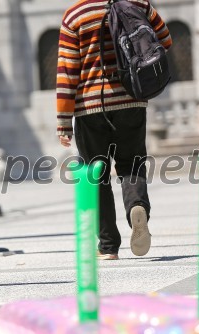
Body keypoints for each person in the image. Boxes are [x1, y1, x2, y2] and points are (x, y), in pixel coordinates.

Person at [56, 0, 172, 260]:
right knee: (132, 164)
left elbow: (67, 70)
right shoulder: (138, 4)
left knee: (96, 176)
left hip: (90, 107)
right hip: (131, 99)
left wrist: (63, 120)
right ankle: (137, 207)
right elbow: (164, 40)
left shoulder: (75, 15)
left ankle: (108, 246)